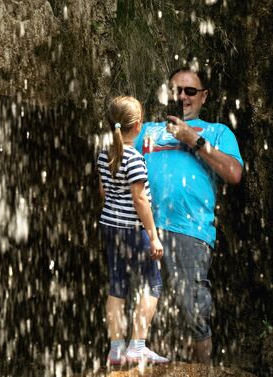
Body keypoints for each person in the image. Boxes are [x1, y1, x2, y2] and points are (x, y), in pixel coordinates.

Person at [134, 67, 243, 364]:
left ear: (203, 96)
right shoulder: (147, 131)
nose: (182, 97)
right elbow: (116, 166)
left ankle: (203, 370)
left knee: (192, 306)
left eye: (190, 91)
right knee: (143, 306)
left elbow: (234, 173)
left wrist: (192, 139)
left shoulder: (218, 132)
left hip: (190, 231)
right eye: (176, 91)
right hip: (145, 230)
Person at [98, 96, 169, 367]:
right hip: (132, 228)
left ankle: (116, 350)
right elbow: (140, 200)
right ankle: (137, 347)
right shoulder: (135, 157)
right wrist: (153, 236)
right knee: (153, 284)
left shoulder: (106, 153)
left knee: (117, 287)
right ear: (138, 125)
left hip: (109, 226)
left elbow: (104, 191)